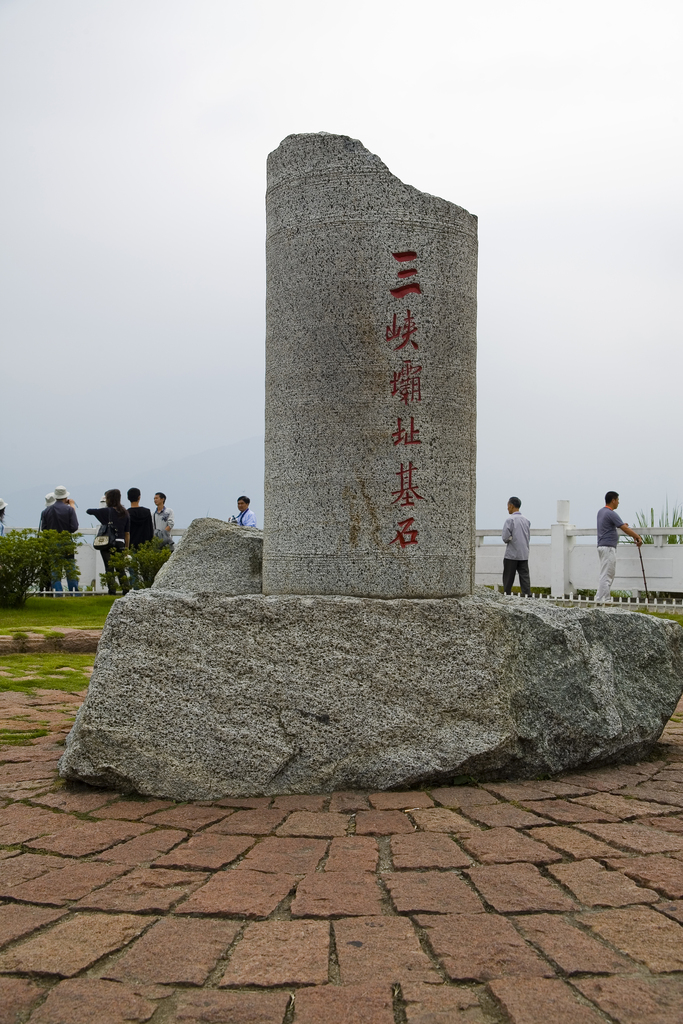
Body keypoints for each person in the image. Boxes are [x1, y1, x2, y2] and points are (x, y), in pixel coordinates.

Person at [596, 491, 643, 604]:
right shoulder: (611, 513)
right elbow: (624, 529)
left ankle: (600, 598)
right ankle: (604, 600)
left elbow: (616, 526)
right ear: (613, 500)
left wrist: (623, 525)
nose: (618, 502)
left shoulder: (601, 512)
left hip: (602, 546)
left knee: (606, 573)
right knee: (608, 574)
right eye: (617, 500)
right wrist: (637, 537)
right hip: (608, 547)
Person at [87, 489, 130, 595]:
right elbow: (127, 533)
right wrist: (126, 548)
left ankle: (112, 590)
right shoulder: (125, 513)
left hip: (108, 542)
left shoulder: (106, 511)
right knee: (121, 569)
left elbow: (89, 511)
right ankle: (126, 590)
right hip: (120, 542)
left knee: (109, 567)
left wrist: (102, 505)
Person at [41, 485, 80, 593]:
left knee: (55, 568)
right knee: (70, 567)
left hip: (53, 543)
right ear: (65, 497)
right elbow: (74, 527)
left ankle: (57, 592)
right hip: (66, 541)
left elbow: (44, 529)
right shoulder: (69, 510)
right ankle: (74, 591)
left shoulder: (46, 511)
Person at [502, 496, 531, 596]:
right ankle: (527, 596)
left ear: (511, 505)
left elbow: (505, 537)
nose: (507, 508)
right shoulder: (526, 520)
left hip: (512, 554)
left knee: (508, 578)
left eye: (508, 505)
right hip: (524, 553)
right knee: (524, 577)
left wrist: (511, 539)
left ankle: (507, 595)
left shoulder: (510, 520)